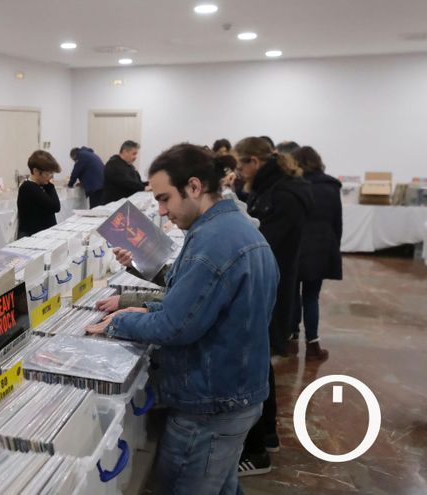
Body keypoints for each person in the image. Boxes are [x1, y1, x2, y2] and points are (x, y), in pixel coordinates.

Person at [86, 144, 278, 495]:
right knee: (221, 485)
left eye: (164, 199)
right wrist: (141, 307)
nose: (160, 212)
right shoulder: (229, 227)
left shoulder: (213, 242)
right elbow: (199, 304)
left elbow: (174, 326)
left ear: (193, 187)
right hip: (232, 394)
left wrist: (116, 323)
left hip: (210, 406)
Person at [235, 136, 313, 475]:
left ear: (255, 161)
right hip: (272, 286)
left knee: (252, 368)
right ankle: (266, 436)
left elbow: (263, 244)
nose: (237, 172)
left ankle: (257, 451)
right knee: (260, 365)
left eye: (240, 165)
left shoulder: (283, 195)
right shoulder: (276, 189)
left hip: (270, 289)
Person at [289, 146, 341, 360]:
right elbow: (337, 221)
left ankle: (290, 338)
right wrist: (333, 246)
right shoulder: (331, 186)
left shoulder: (296, 186)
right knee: (311, 296)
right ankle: (313, 344)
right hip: (321, 247)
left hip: (296, 246)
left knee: (291, 294)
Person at [16, 151, 62, 238]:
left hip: (44, 234)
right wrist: (50, 185)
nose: (51, 177)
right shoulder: (28, 187)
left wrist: (48, 184)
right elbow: (55, 207)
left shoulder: (42, 185)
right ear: (36, 171)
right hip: (32, 237)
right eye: (48, 173)